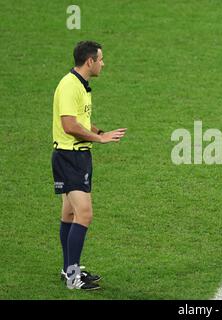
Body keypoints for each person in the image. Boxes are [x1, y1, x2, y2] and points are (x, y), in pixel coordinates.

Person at [52, 41, 127, 290]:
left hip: (78, 156)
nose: (103, 63)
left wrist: (100, 131)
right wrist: (100, 138)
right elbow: (69, 126)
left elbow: (81, 120)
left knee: (70, 213)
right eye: (101, 59)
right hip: (69, 156)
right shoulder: (69, 86)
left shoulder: (81, 86)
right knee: (84, 213)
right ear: (89, 62)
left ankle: (68, 268)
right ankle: (73, 277)